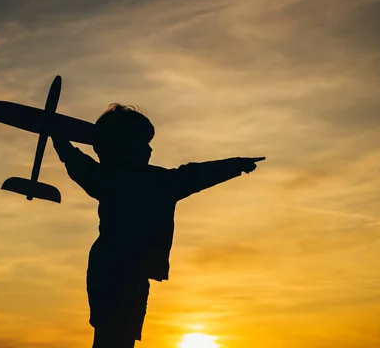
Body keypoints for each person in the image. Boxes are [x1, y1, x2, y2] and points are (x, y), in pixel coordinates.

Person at [52, 103, 265, 348]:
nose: (150, 149)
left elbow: (74, 161)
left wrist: (58, 139)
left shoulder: (104, 178)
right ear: (125, 148)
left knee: (112, 338)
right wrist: (235, 164)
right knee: (116, 339)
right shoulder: (154, 183)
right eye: (143, 143)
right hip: (122, 274)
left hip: (111, 269)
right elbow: (194, 175)